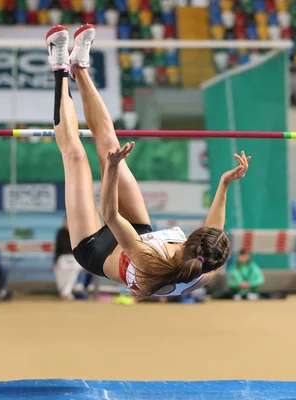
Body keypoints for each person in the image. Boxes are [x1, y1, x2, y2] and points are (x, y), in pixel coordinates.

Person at [46, 25, 251, 299]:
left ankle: (59, 66)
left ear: (189, 243)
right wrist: (224, 184)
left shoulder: (150, 261)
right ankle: (80, 66)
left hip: (95, 249)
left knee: (76, 156)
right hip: (138, 234)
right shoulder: (208, 261)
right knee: (110, 145)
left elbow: (111, 214)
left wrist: (114, 169)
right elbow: (215, 229)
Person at [53, 216, 84, 300]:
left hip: (74, 257)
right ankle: (64, 292)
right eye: (66, 221)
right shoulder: (60, 232)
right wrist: (55, 260)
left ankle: (66, 292)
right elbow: (58, 247)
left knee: (73, 272)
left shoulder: (77, 231)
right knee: (60, 274)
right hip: (62, 257)